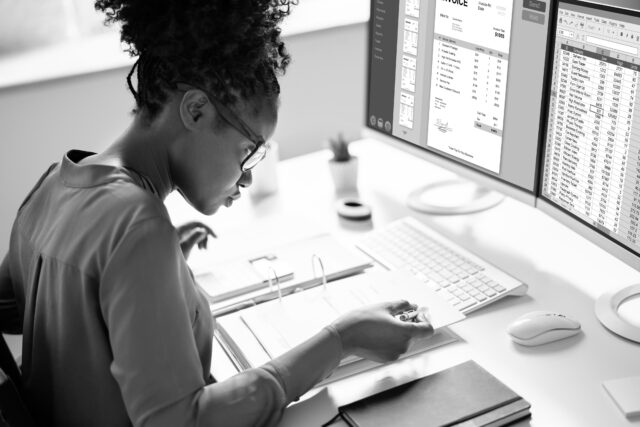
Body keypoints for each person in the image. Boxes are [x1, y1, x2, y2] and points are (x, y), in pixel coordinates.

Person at [0, 0, 434, 426]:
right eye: (248, 151)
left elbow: (21, 312)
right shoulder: (136, 226)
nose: (245, 179)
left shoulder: (56, 182)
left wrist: (155, 278)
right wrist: (343, 340)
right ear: (195, 110)